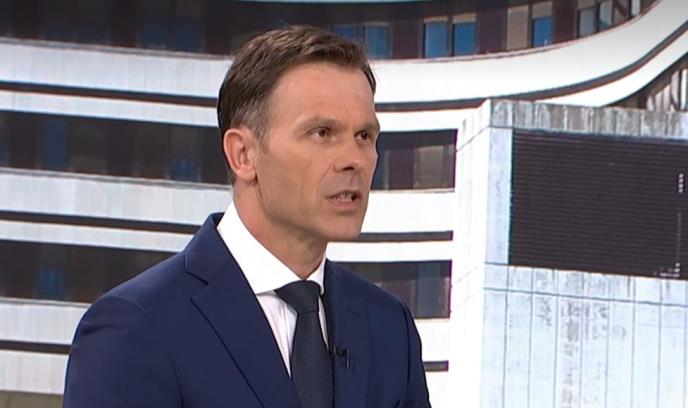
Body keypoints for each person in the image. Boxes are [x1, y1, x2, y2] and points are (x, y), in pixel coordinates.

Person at [63, 25, 430, 408]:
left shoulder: (389, 326)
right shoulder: (136, 327)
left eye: (364, 136)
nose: (354, 159)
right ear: (243, 155)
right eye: (322, 133)